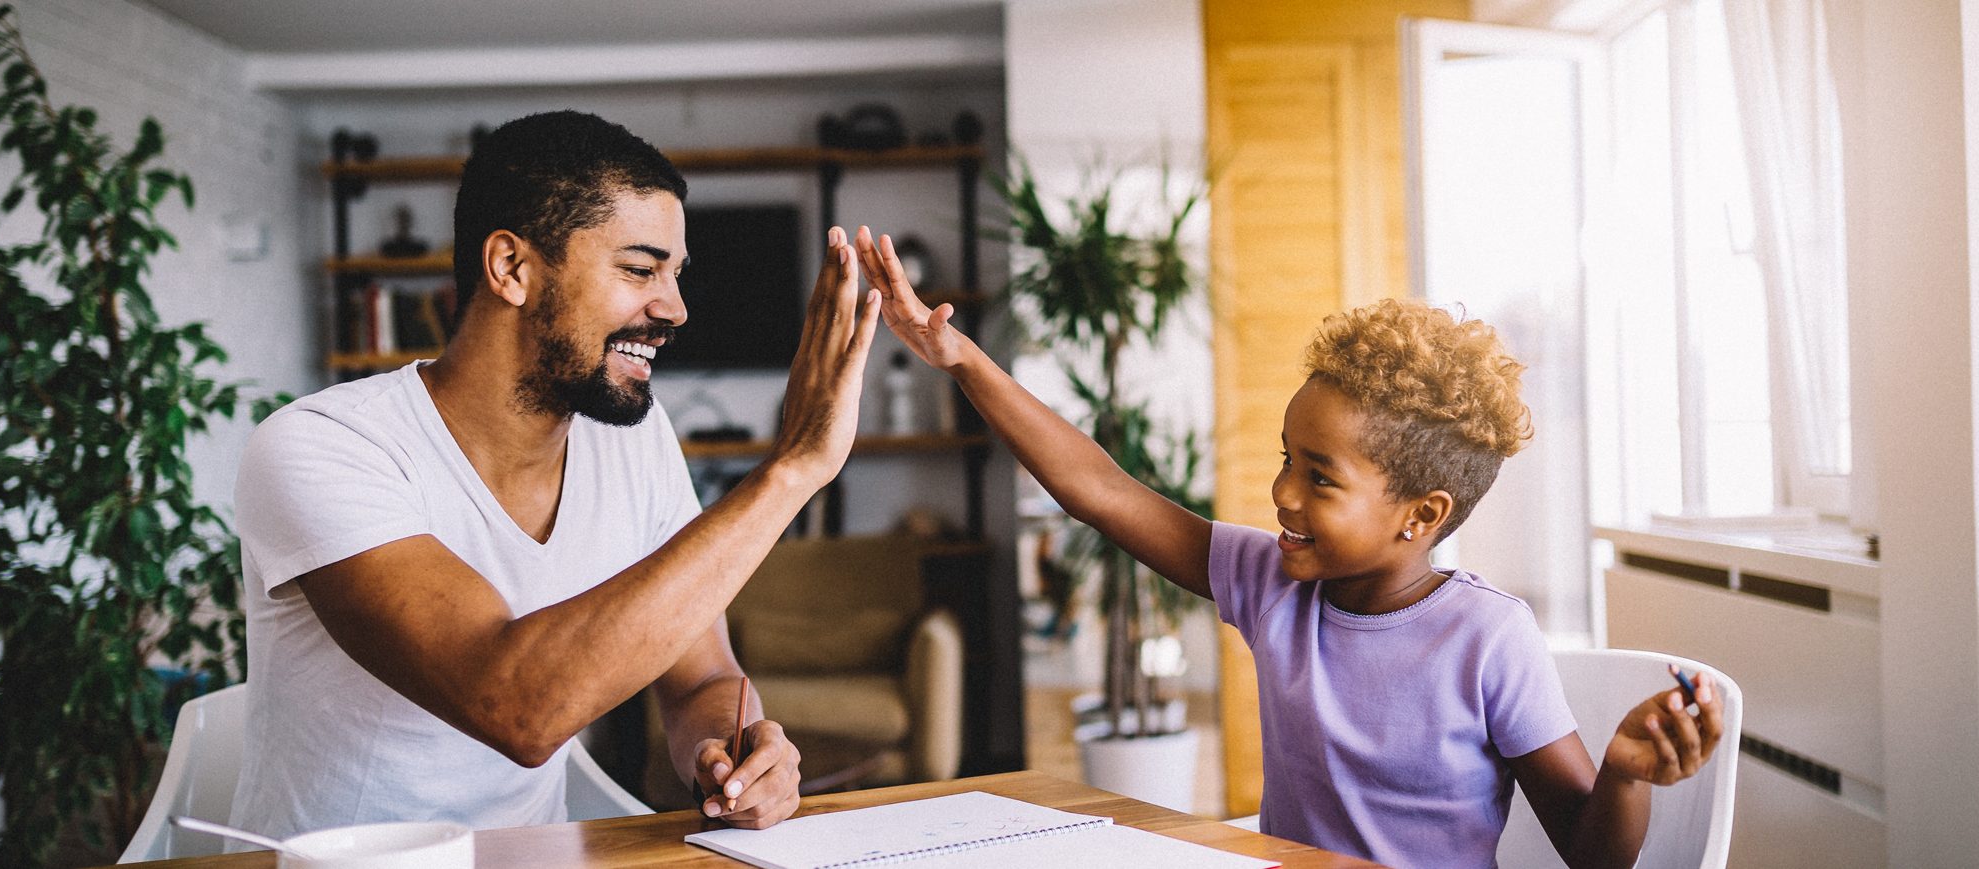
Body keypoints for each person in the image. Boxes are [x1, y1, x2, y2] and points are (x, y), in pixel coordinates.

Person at [853, 227, 1724, 867]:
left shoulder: (1490, 638)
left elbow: (1591, 853)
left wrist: (1622, 776)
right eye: (1285, 460)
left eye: (1320, 476)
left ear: (1420, 516)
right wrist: (962, 358)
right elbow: (1101, 489)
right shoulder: (1270, 580)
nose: (1282, 493)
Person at [229, 111, 882, 840]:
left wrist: (735, 752)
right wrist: (791, 471)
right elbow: (516, 706)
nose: (674, 309)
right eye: (640, 269)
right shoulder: (325, 446)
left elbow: (702, 678)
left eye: (674, 274)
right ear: (511, 267)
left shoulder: (632, 443)